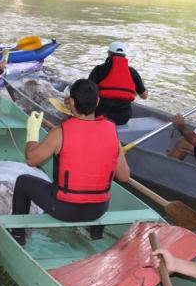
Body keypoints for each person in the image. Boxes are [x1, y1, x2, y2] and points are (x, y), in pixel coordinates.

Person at [10, 79, 131, 245]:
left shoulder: (60, 132)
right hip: (98, 210)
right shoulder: (112, 132)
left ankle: (17, 236)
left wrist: (32, 134)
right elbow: (124, 176)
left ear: (72, 102)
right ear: (97, 101)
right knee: (97, 187)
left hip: (64, 209)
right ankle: (95, 236)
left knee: (23, 181)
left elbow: (31, 160)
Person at [88, 42, 148, 125]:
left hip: (101, 116)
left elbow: (88, 92)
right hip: (123, 118)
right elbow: (144, 96)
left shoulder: (99, 69)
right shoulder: (132, 72)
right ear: (125, 55)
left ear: (108, 53)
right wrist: (142, 85)